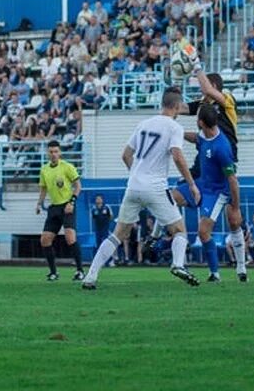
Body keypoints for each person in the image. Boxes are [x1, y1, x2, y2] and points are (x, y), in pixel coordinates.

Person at [82, 88, 202, 290]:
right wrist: (191, 184)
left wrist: (136, 174)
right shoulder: (174, 127)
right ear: (176, 106)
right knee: (179, 230)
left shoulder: (144, 124)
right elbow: (177, 156)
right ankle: (178, 265)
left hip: (133, 185)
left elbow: (125, 155)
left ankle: (90, 276)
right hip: (155, 186)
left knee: (118, 234)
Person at [174, 104, 245, 283]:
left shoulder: (222, 148)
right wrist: (177, 133)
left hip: (217, 192)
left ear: (200, 122)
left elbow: (232, 180)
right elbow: (196, 139)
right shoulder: (205, 134)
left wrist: (235, 206)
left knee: (204, 232)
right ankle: (155, 237)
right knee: (170, 197)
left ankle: (216, 274)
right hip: (202, 184)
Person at [35, 140, 84, 280]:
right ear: (47, 153)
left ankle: (80, 270)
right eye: (51, 152)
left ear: (60, 152)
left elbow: (78, 186)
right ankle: (53, 272)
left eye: (56, 151)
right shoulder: (44, 169)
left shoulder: (67, 167)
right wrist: (39, 204)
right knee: (45, 240)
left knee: (70, 238)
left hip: (67, 206)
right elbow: (43, 188)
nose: (54, 154)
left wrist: (72, 202)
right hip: (54, 208)